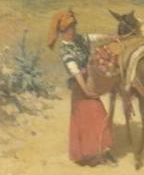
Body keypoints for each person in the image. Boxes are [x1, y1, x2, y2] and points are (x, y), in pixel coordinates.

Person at [47, 9, 115, 166]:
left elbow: (94, 37)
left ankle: (101, 151)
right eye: (69, 29)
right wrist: (86, 91)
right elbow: (76, 73)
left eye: (74, 28)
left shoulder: (79, 39)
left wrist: (111, 37)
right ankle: (92, 155)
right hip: (80, 88)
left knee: (99, 115)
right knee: (88, 119)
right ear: (62, 32)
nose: (73, 31)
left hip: (89, 83)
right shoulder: (65, 50)